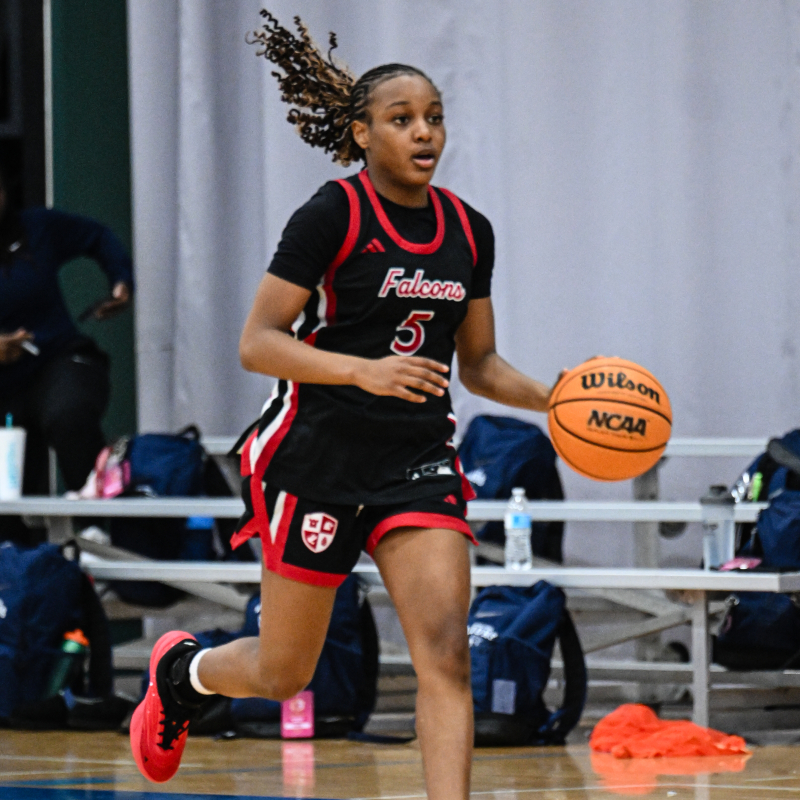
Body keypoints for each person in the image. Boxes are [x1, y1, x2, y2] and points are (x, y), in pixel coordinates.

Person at [130, 11, 561, 799]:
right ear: (362, 134)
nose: (424, 133)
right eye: (402, 120)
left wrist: (560, 401)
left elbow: (481, 365)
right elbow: (258, 342)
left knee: (446, 655)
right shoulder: (332, 215)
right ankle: (186, 674)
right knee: (284, 669)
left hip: (417, 462)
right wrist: (360, 371)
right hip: (315, 456)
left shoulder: (470, 230)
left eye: (434, 118)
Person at [0, 169, 132, 544]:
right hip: (5, 393)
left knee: (68, 414)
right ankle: (20, 571)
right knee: (10, 504)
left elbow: (97, 236)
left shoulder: (35, 227)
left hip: (55, 360)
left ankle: (98, 531)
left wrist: (120, 281)